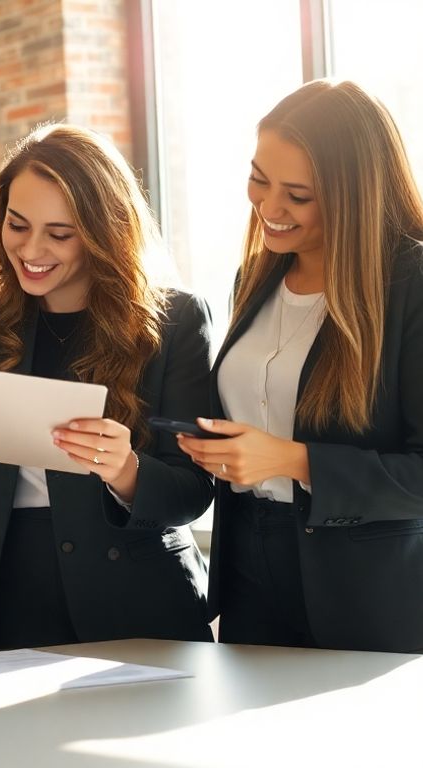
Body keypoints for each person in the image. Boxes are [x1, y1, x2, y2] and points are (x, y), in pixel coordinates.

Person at [179, 80, 423, 653]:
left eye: (298, 194)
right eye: (259, 180)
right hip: (249, 575)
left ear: (355, 195)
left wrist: (293, 461)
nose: (269, 207)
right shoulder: (256, 276)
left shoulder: (410, 284)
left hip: (367, 593)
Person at [0, 124, 213, 650]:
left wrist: (126, 470)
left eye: (60, 234)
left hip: (138, 601)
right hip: (15, 598)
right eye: (17, 224)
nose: (31, 249)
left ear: (105, 231)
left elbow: (195, 491)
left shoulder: (174, 321)